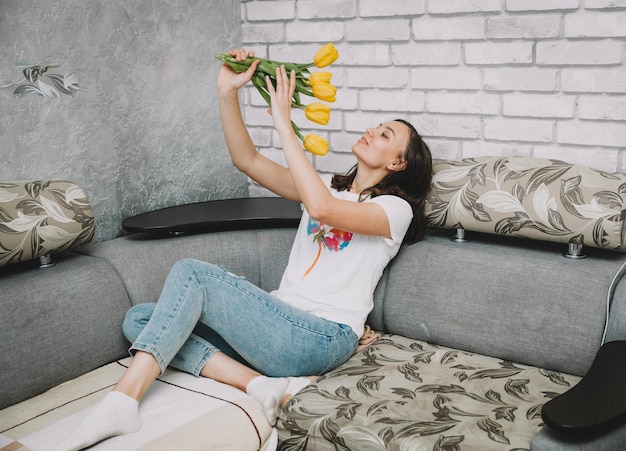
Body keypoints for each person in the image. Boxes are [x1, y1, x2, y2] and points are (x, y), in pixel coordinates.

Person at [57, 48, 432, 450]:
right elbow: (247, 159)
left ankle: (121, 400)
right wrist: (227, 92)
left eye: (385, 135)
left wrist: (285, 126)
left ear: (397, 164)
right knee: (141, 319)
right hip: (280, 328)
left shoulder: (394, 211)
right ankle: (261, 385)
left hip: (320, 336)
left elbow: (323, 209)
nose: (372, 131)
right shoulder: (326, 187)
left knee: (192, 272)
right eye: (376, 125)